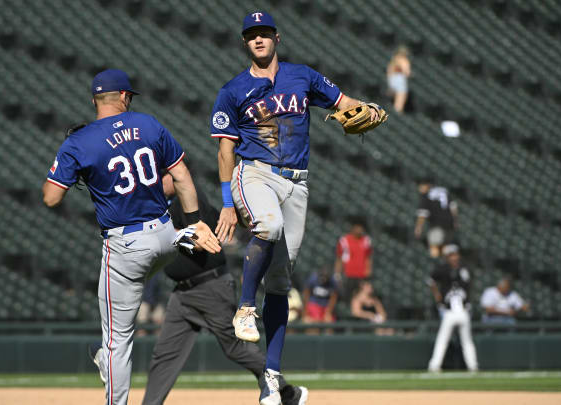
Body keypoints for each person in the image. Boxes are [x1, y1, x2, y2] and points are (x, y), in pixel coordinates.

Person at [210, 11, 384, 405]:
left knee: (283, 284)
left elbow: (344, 102)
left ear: (276, 37)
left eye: (264, 33)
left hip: (297, 183)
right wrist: (225, 204)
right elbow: (224, 150)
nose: (258, 39)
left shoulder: (302, 76)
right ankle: (244, 307)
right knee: (267, 226)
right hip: (255, 173)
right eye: (251, 35)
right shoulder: (233, 90)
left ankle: (271, 377)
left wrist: (368, 108)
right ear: (244, 43)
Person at [42, 69, 220, 405]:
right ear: (124, 96)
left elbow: (51, 197)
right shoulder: (149, 124)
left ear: (95, 100)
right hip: (165, 236)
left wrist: (71, 163)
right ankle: (184, 237)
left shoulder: (78, 142)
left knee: (117, 341)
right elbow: (181, 175)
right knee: (154, 257)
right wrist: (195, 223)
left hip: (126, 245)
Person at [140, 174, 307, 405]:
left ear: (173, 176)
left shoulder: (188, 199)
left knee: (235, 347)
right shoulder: (167, 204)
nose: (158, 182)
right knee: (165, 354)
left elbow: (201, 240)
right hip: (183, 294)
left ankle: (286, 392)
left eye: (163, 177)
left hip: (209, 286)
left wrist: (165, 232)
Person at [427, 245, 478, 372]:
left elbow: (470, 286)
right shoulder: (442, 269)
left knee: (467, 341)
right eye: (451, 255)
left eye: (455, 254)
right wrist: (437, 295)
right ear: (447, 257)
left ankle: (473, 366)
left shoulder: (464, 269)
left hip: (463, 310)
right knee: (442, 339)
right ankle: (434, 366)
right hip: (449, 311)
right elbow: (430, 281)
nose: (454, 257)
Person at [414, 177, 458, 258]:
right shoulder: (444, 190)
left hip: (437, 224)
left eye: (421, 186)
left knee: (434, 247)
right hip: (449, 224)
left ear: (427, 185)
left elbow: (423, 214)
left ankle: (436, 264)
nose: (420, 188)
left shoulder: (426, 195)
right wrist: (455, 220)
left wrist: (418, 228)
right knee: (445, 247)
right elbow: (453, 206)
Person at [334, 219, 373, 303]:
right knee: (347, 296)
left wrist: (368, 270)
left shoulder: (366, 240)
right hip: (348, 273)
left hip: (361, 274)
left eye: (361, 228)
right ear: (353, 228)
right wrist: (337, 273)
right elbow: (339, 257)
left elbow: (368, 257)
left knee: (360, 298)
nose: (360, 230)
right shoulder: (344, 240)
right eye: (358, 228)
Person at [386, 45, 411, 113]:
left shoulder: (394, 59)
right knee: (400, 100)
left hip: (391, 79)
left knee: (393, 99)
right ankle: (397, 113)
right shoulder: (403, 60)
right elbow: (406, 72)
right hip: (399, 79)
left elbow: (389, 72)